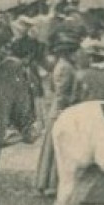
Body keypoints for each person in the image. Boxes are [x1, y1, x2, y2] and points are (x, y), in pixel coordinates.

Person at [35, 32, 81, 195]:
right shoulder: (65, 68)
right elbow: (61, 93)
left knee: (53, 147)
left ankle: (47, 182)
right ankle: (52, 184)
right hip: (61, 110)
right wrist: (65, 109)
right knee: (57, 148)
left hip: (58, 108)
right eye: (73, 51)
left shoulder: (61, 65)